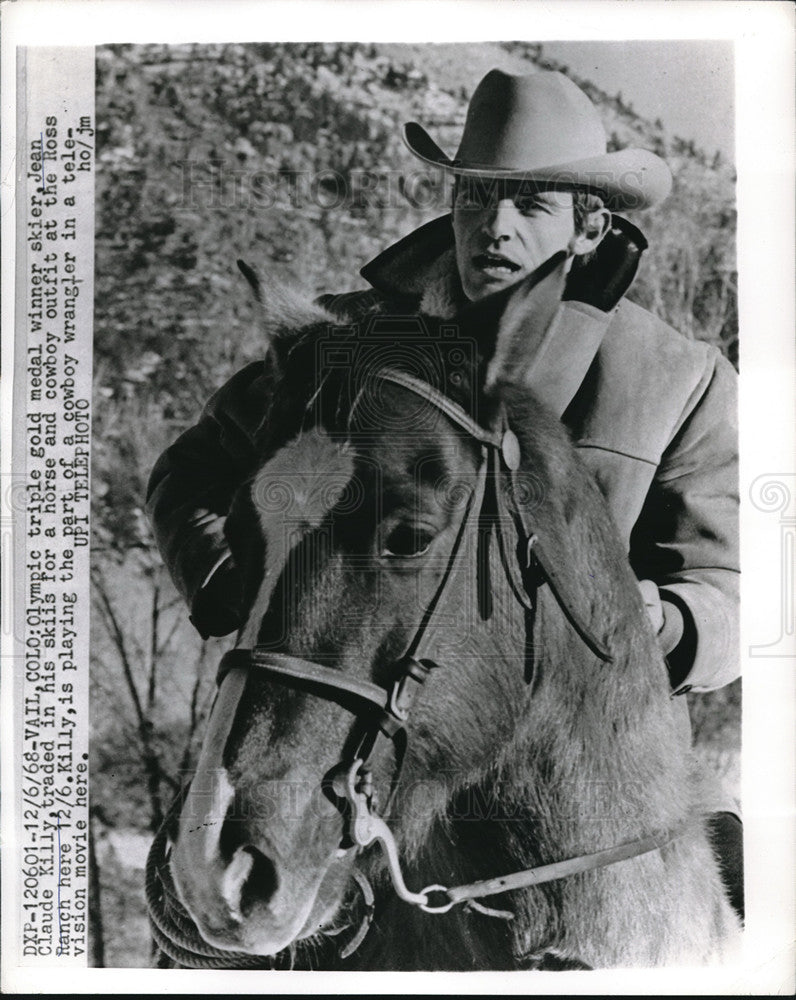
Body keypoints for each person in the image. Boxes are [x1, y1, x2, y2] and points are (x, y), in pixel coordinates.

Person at [146, 66, 742, 917]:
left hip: (591, 778)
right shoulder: (354, 346)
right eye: (474, 198)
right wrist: (264, 597)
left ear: (591, 223)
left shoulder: (680, 381)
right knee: (207, 921)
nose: (492, 227)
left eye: (530, 205)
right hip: (364, 760)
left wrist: (658, 624)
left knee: (737, 911)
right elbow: (189, 477)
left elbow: (736, 597)